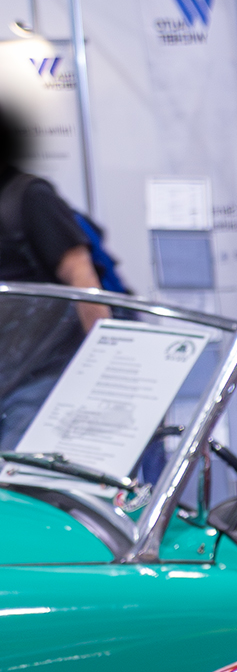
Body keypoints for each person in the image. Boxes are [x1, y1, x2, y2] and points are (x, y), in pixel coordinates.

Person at [0, 104, 105, 449]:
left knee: (19, 487)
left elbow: (82, 279)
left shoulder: (28, 196)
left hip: (41, 376)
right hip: (8, 370)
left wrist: (105, 361)